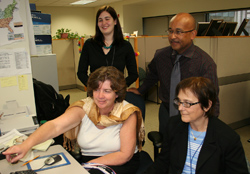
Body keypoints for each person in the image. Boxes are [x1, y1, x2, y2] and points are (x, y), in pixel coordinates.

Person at [3, 66, 144, 174]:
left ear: (117, 93)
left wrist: (85, 167)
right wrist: (25, 145)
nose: (100, 96)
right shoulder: (84, 107)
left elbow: (125, 155)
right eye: (97, 90)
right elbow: (54, 126)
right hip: (88, 162)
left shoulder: (127, 112)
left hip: (119, 163)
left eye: (107, 91)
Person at [128, 12, 219, 136]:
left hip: (192, 115)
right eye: (170, 31)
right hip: (166, 111)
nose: (172, 36)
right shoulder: (161, 56)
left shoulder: (205, 63)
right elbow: (153, 74)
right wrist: (141, 90)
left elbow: (212, 100)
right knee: (167, 147)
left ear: (193, 34)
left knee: (186, 150)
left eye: (178, 32)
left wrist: (210, 128)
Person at [144, 77, 248, 174]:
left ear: (207, 105)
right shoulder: (174, 125)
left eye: (187, 103)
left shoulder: (228, 138)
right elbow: (162, 163)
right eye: (179, 101)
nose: (180, 108)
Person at [77, 5, 138, 88]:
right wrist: (94, 87)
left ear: (115, 21)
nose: (104, 23)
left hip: (117, 95)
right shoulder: (89, 44)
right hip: (95, 95)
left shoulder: (125, 46)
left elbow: (133, 74)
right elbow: (81, 72)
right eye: (100, 20)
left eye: (107, 19)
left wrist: (119, 87)